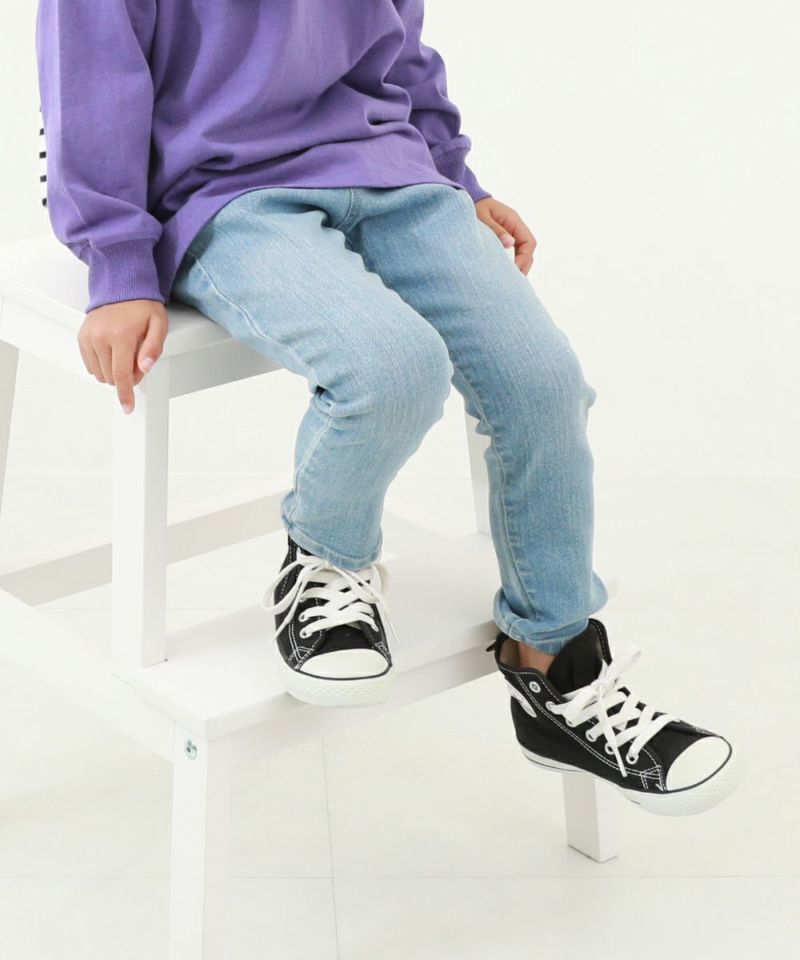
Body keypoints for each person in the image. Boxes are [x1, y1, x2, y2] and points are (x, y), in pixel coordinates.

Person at [36, 0, 741, 815]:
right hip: (222, 191)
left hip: (391, 171)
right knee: (391, 369)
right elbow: (89, 85)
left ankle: (557, 665)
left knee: (544, 381)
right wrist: (119, 266)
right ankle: (324, 557)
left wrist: (457, 178)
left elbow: (398, 44)